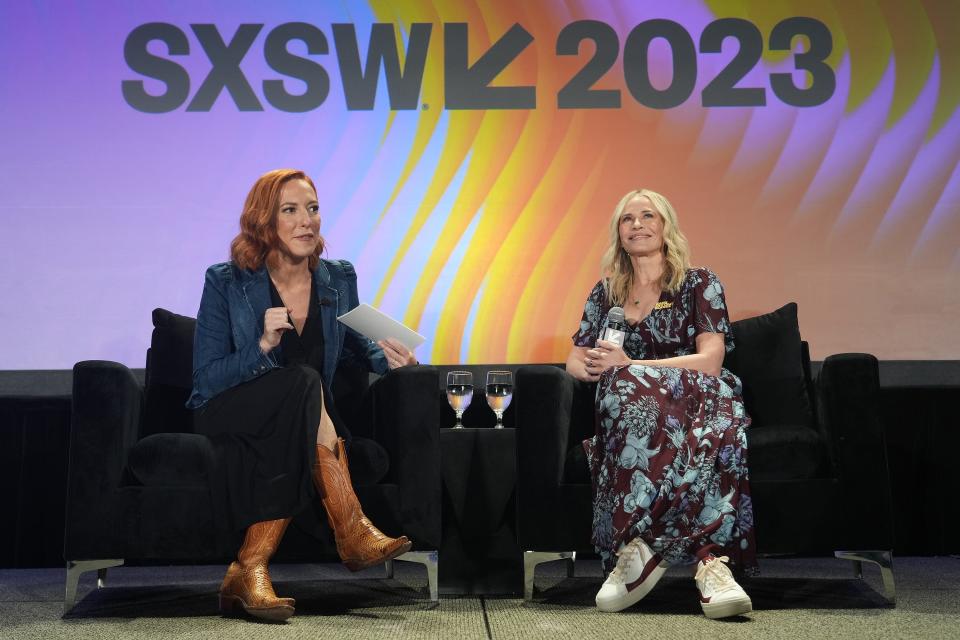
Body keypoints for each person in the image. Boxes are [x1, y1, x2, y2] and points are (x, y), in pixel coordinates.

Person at [187, 169, 419, 621]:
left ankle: (249, 566)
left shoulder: (337, 278)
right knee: (304, 381)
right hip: (230, 408)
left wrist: (392, 360)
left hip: (303, 417)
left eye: (312, 209)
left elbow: (357, 348)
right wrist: (261, 348)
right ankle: (351, 526)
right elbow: (205, 380)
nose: (306, 221)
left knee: (306, 386)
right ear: (263, 220)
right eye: (289, 210)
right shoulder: (227, 281)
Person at [567, 189, 757, 620]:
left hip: (697, 395)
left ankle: (645, 548)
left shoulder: (699, 282)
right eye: (626, 219)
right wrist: (593, 368)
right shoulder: (606, 293)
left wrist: (632, 365)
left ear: (666, 225)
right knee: (622, 392)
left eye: (647, 215)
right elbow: (575, 357)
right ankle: (708, 560)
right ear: (619, 234)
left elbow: (710, 362)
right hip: (632, 403)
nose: (636, 224)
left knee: (709, 425)